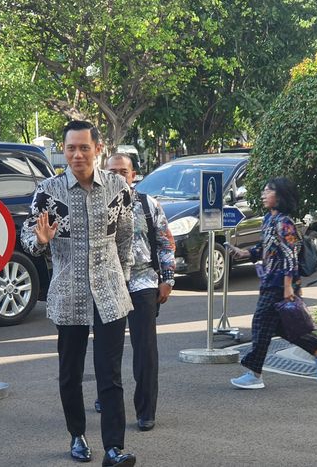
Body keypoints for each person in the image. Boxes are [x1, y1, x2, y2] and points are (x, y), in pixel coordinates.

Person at [21, 120, 136, 466]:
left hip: (110, 293)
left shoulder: (118, 187)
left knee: (109, 372)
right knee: (70, 373)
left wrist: (124, 279)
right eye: (71, 148)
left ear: (97, 149)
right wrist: (39, 241)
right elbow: (28, 237)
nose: (77, 154)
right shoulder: (48, 191)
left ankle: (114, 447)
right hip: (68, 293)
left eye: (84, 147)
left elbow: (126, 238)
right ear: (64, 151)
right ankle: (77, 435)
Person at [228, 177, 317, 389]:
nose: (263, 194)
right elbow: (265, 248)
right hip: (271, 280)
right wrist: (245, 252)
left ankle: (254, 374)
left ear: (280, 196)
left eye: (269, 190)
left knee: (259, 325)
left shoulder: (285, 223)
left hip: (280, 284)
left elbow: (290, 255)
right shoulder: (269, 219)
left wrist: (288, 287)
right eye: (264, 190)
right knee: (285, 328)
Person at [105, 153, 176, 432]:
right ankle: (107, 398)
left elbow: (165, 243)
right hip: (108, 283)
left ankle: (146, 411)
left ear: (133, 174)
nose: (119, 176)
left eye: (124, 171)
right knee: (107, 350)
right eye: (113, 172)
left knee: (145, 350)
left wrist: (167, 279)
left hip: (143, 281)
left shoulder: (148, 204)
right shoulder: (95, 204)